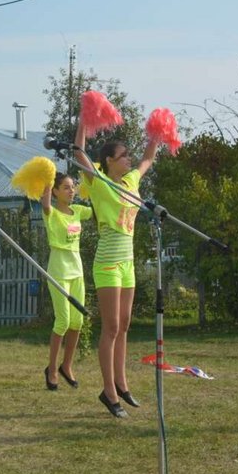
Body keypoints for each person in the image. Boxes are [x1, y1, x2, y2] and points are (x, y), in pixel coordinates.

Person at [73, 112, 159, 418]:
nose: (129, 159)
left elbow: (148, 158)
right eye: (124, 156)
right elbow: (79, 152)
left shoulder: (131, 181)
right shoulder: (98, 183)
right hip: (107, 262)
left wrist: (157, 132)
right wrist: (85, 120)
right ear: (109, 161)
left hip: (128, 263)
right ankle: (108, 392)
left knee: (124, 325)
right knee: (110, 327)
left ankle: (122, 384)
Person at [41, 172, 92, 392]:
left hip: (77, 272)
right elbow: (45, 203)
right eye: (66, 187)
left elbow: (99, 208)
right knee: (62, 321)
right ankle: (52, 369)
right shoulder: (51, 213)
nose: (71, 191)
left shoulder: (78, 211)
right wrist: (47, 177)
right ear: (55, 191)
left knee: (77, 322)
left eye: (73, 187)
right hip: (58, 272)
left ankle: (66, 366)